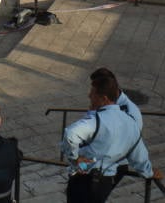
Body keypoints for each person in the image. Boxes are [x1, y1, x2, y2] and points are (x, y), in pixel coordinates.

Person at [62, 74, 157, 202]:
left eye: (93, 94)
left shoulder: (97, 120)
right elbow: (139, 155)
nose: (89, 96)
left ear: (104, 98)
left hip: (84, 179)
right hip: (104, 183)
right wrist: (149, 173)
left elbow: (71, 134)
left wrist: (75, 158)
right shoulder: (130, 122)